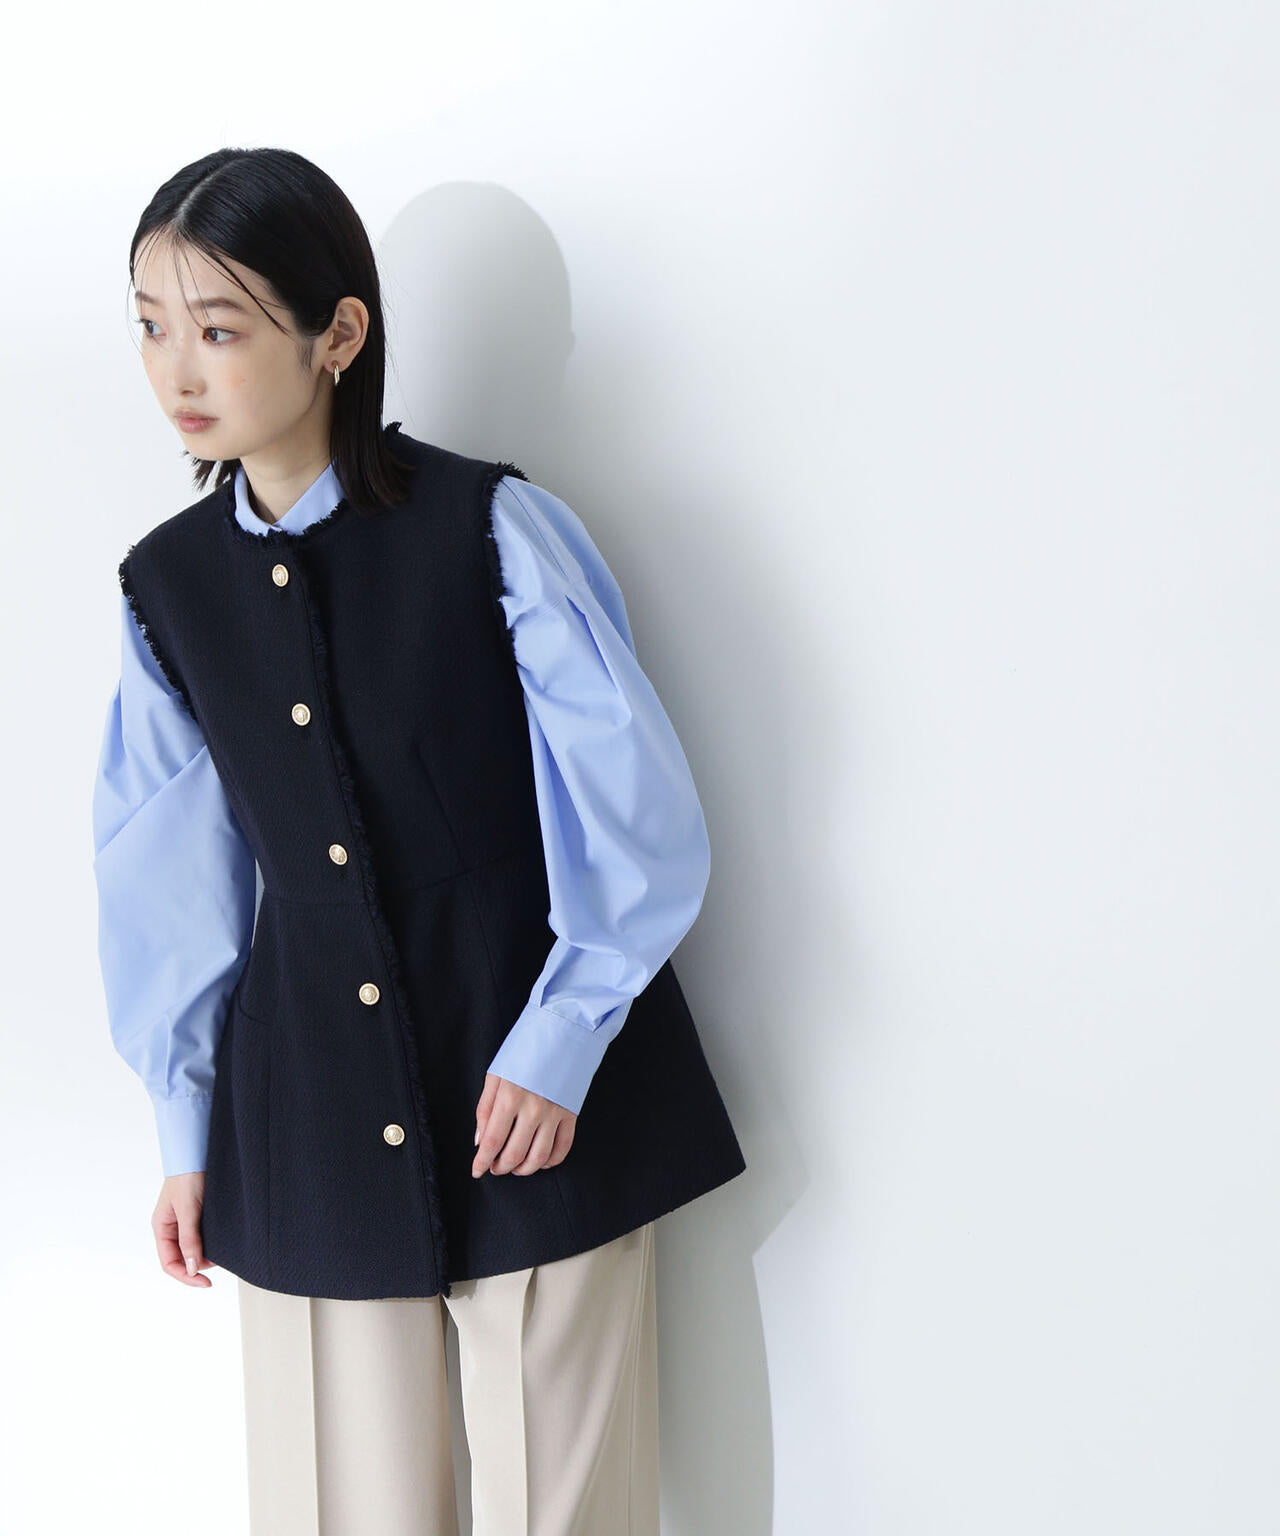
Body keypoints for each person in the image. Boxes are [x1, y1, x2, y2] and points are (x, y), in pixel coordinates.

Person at [91, 146, 746, 1536]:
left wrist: (563, 1038)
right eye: (150, 326)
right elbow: (164, 880)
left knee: (569, 1514)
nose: (176, 371)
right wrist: (185, 1126)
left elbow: (637, 816)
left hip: (536, 1094)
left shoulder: (491, 528)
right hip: (308, 1112)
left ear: (338, 335)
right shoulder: (168, 592)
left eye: (219, 328)